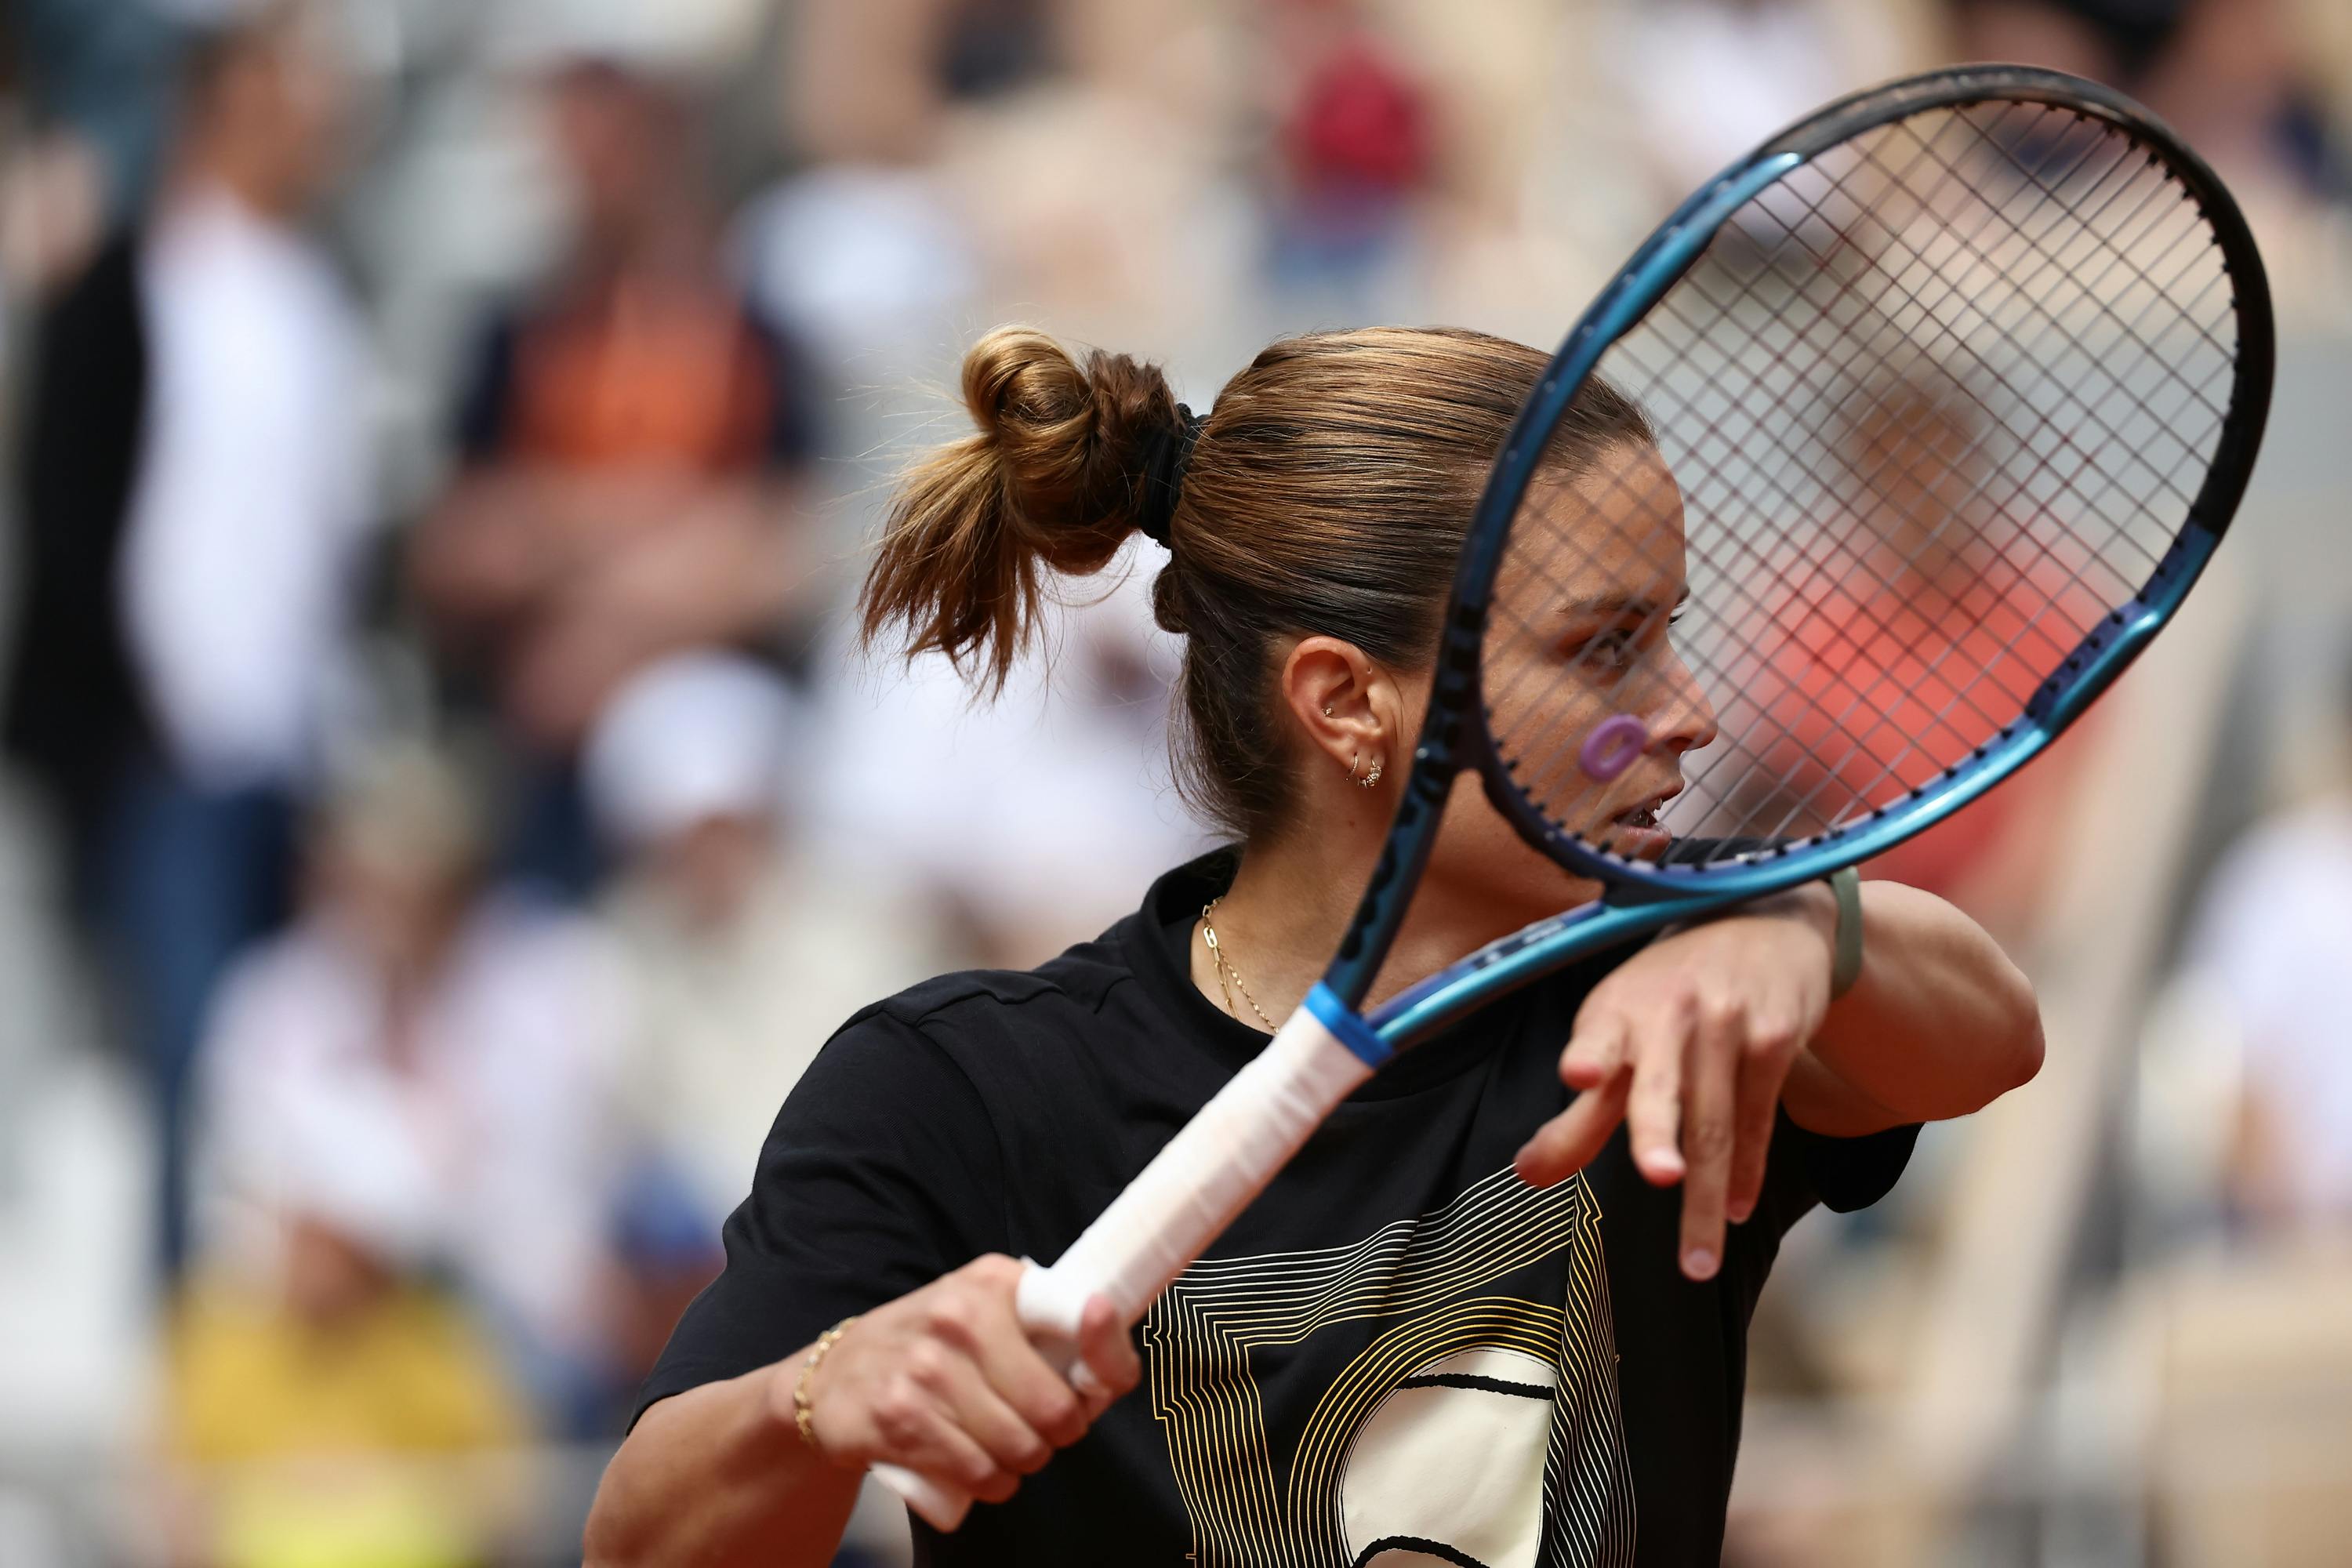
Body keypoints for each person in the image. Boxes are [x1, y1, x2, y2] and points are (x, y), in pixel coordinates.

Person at [583, 326, 2044, 1566]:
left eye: (1671, 631)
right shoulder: (959, 1090)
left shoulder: (1671, 991)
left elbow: (1993, 1030)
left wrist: (1808, 935)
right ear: (1349, 705)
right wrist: (828, 1390)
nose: (1688, 711)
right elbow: (642, 1541)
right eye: (1606, 647)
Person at [2, 0, 373, 1276]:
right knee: (185, 1069)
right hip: (168, 757)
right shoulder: (137, 279)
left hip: (290, 755)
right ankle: (180, 1344)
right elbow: (89, 516)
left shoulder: (315, 291)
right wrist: (139, 712)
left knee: (290, 1073)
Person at [410, 56, 826, 900]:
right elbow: (458, 548)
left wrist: (608, 633)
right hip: (541, 746)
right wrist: (647, 515)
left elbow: (782, 553)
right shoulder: (518, 334)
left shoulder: (754, 338)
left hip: (699, 729)